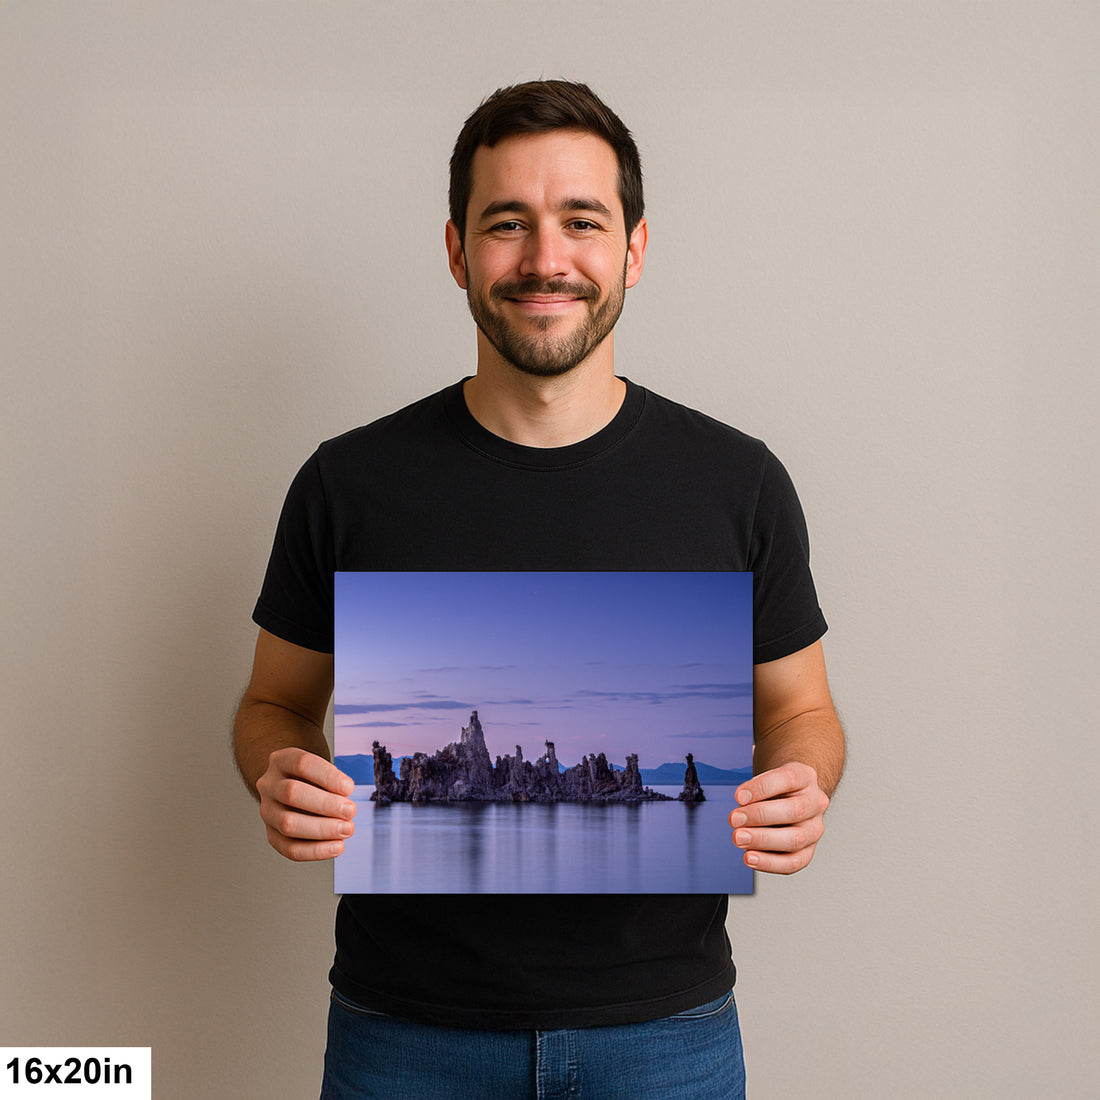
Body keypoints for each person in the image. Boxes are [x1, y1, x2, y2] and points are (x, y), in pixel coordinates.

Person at [233, 79, 845, 1099]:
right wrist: (280, 769)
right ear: (455, 250)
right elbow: (271, 702)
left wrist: (799, 782)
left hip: (666, 1030)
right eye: (506, 222)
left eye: (580, 221)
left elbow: (804, 711)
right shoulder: (349, 483)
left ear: (634, 250)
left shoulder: (737, 483)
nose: (544, 257)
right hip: (405, 1033)